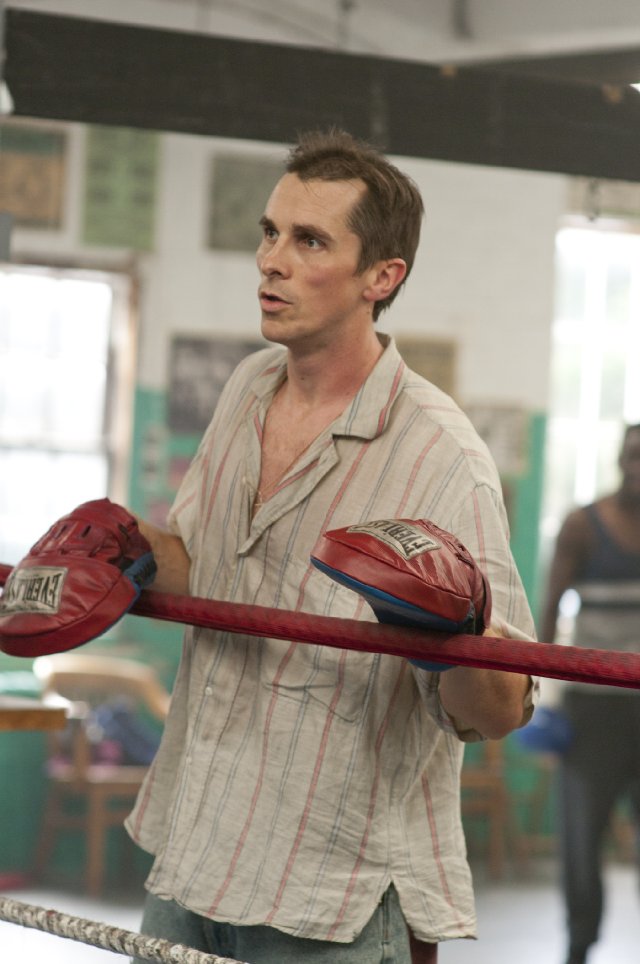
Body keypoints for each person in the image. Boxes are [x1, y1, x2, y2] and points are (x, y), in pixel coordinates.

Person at [126, 128, 538, 964]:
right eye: (269, 232)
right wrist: (121, 551)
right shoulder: (246, 389)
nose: (271, 262)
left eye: (309, 241)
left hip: (326, 893)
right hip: (193, 849)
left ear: (381, 277)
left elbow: (502, 710)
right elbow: (204, 573)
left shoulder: (442, 457)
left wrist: (453, 634)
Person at [539, 423, 640, 964]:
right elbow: (549, 609)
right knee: (581, 840)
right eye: (633, 455)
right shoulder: (583, 525)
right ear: (619, 460)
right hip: (593, 709)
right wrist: (539, 697)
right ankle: (578, 947)